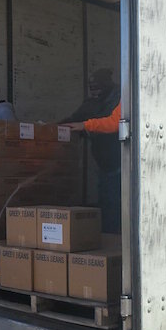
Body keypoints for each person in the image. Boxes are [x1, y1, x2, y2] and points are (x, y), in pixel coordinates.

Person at [63, 68, 121, 234]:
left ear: (107, 84)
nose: (94, 91)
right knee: (106, 201)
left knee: (114, 202)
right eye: (91, 87)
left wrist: (86, 125)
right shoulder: (93, 102)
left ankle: (114, 239)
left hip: (118, 161)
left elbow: (113, 122)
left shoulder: (118, 99)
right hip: (104, 162)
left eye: (97, 87)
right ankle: (109, 237)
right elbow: (75, 119)